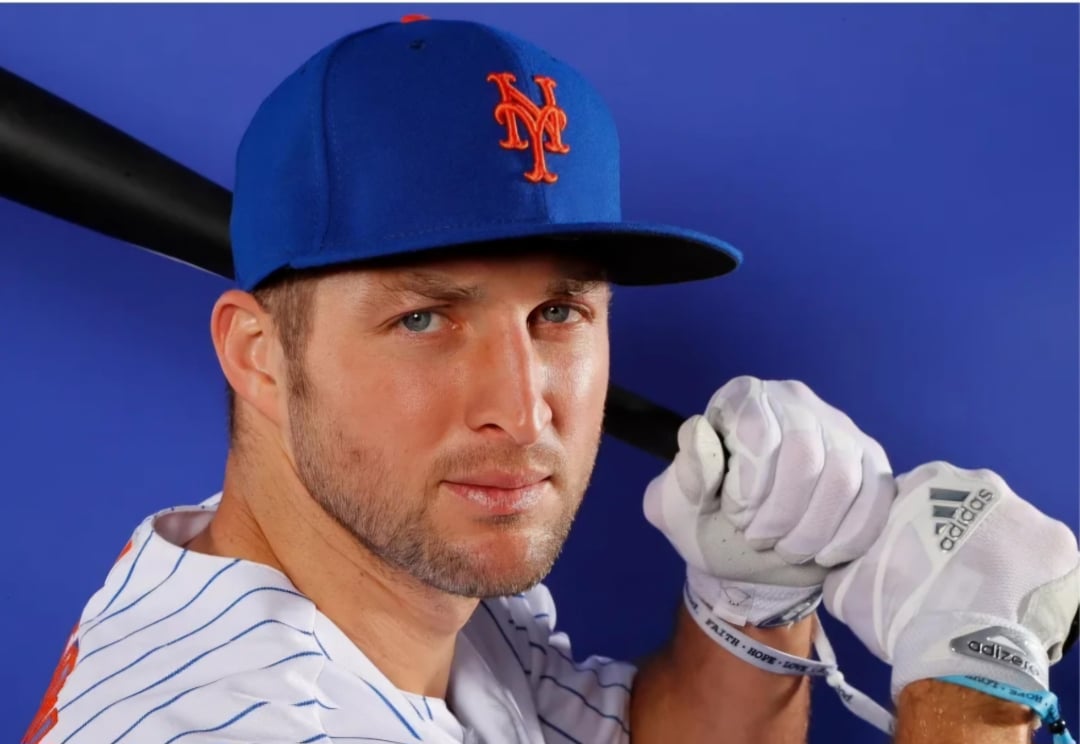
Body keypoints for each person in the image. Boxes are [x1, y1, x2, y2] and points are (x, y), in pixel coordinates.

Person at [24, 16, 1078, 744]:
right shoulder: (242, 722)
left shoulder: (389, 580)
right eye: (425, 316)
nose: (522, 407)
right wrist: (972, 689)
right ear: (258, 354)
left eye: (559, 311)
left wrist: (751, 596)